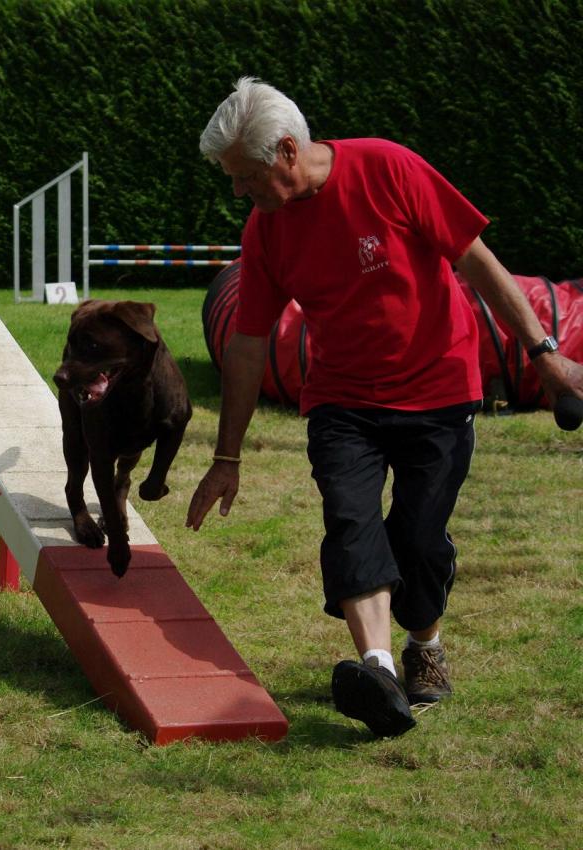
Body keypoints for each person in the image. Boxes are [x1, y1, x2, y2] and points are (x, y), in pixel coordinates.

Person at [186, 77, 583, 737]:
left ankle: (423, 643)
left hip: (439, 388)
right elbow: (250, 345)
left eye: (245, 175)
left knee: (419, 540)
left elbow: (478, 261)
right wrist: (226, 456)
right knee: (350, 522)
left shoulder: (388, 168)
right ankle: (376, 671)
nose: (238, 192)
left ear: (287, 151)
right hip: (343, 399)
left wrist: (544, 353)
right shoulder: (267, 231)